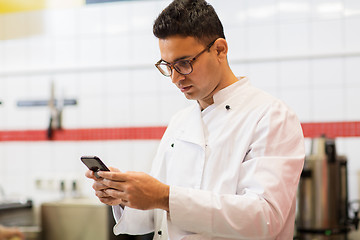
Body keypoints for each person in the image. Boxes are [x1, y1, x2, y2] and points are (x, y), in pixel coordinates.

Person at [85, 0, 305, 239]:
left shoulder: (271, 116)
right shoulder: (180, 122)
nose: (175, 78)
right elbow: (158, 216)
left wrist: (163, 196)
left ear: (220, 49)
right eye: (168, 66)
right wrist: (125, 195)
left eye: (184, 63)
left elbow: (265, 218)